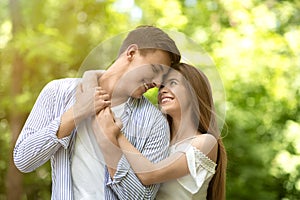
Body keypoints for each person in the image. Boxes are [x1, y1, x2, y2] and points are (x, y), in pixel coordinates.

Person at [13, 25, 181, 199]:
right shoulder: (58, 92)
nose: (157, 82)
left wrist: (110, 142)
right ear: (131, 53)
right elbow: (23, 160)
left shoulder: (155, 123)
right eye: (155, 70)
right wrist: (77, 112)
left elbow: (144, 197)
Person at [94, 63, 227, 199]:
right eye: (162, 86)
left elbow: (149, 175)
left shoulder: (205, 142)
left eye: (173, 83)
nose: (163, 90)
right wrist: (94, 77)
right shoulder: (157, 138)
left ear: (193, 90)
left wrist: (117, 134)